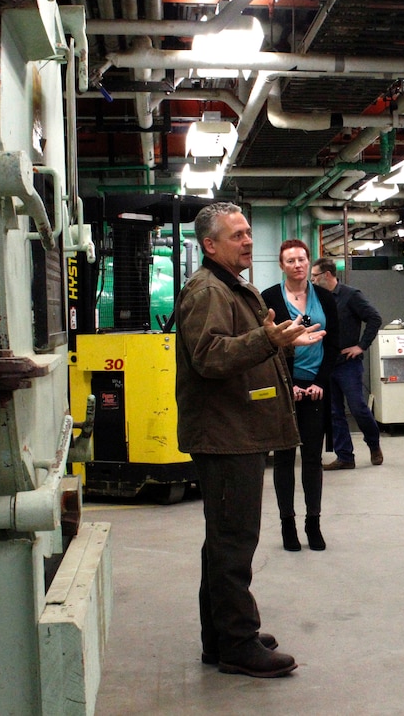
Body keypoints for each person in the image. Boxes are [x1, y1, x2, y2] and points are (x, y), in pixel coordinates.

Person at [175, 202, 320, 678]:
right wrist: (269, 341)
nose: (248, 240)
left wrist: (282, 339)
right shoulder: (207, 291)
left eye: (247, 233)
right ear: (210, 245)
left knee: (223, 540)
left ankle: (221, 637)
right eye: (236, 235)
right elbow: (210, 356)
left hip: (235, 429)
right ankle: (237, 644)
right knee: (234, 541)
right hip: (225, 434)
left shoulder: (230, 285)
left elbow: (248, 340)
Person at [262, 240, 340, 551]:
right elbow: (267, 347)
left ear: (309, 263)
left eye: (302, 259)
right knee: (283, 460)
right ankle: (288, 526)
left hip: (317, 389)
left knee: (312, 459)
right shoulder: (269, 298)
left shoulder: (324, 298)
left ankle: (313, 523)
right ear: (282, 266)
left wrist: (320, 381)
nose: (298, 264)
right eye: (291, 260)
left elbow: (332, 344)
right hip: (285, 389)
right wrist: (290, 383)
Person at [311, 257, 384, 470]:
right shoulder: (315, 298)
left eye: (315, 276)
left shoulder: (351, 296)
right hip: (325, 364)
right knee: (334, 412)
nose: (312, 280)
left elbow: (374, 318)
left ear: (327, 275)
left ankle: (373, 444)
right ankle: (345, 457)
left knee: (358, 408)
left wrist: (361, 346)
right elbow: (308, 320)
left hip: (347, 364)